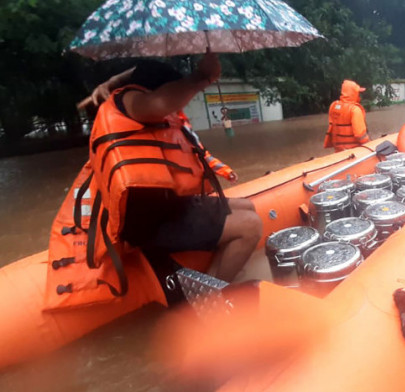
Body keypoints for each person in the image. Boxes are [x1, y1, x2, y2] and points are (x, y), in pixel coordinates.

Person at [49, 53, 262, 311]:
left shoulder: (129, 96)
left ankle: (208, 280)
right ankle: (208, 299)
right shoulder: (133, 102)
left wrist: (114, 78)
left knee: (246, 207)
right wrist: (202, 77)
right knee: (250, 226)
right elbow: (159, 102)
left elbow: (148, 82)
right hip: (149, 224)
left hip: (168, 209)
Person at [324, 80, 370, 152]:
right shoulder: (355, 110)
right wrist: (369, 145)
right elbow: (360, 134)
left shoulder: (333, 106)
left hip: (338, 150)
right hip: (354, 150)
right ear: (353, 93)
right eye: (358, 93)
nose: (359, 95)